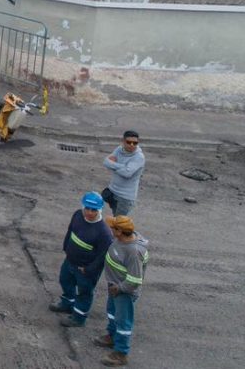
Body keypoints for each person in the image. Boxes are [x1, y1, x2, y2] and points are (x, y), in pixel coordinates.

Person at [49, 192, 113, 328]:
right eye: (87, 208)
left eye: (94, 210)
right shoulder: (78, 215)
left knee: (84, 293)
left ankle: (78, 318)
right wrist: (66, 248)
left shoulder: (104, 232)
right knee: (65, 280)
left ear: (100, 210)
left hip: (85, 269)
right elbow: (70, 231)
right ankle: (67, 303)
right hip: (70, 261)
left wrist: (89, 269)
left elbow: (102, 256)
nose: (89, 212)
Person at [94, 215, 149, 367]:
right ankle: (112, 336)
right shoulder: (121, 240)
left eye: (113, 228)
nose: (110, 229)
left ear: (119, 231)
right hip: (114, 287)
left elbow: (135, 280)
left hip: (123, 292)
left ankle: (121, 353)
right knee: (112, 313)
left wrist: (119, 288)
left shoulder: (133, 252)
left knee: (123, 322)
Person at [102, 131, 145, 216]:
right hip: (112, 191)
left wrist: (113, 165)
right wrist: (123, 166)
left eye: (135, 143)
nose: (132, 145)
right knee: (93, 207)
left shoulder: (139, 157)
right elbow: (106, 162)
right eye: (129, 142)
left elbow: (127, 173)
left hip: (125, 197)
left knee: (119, 224)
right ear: (123, 141)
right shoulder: (119, 149)